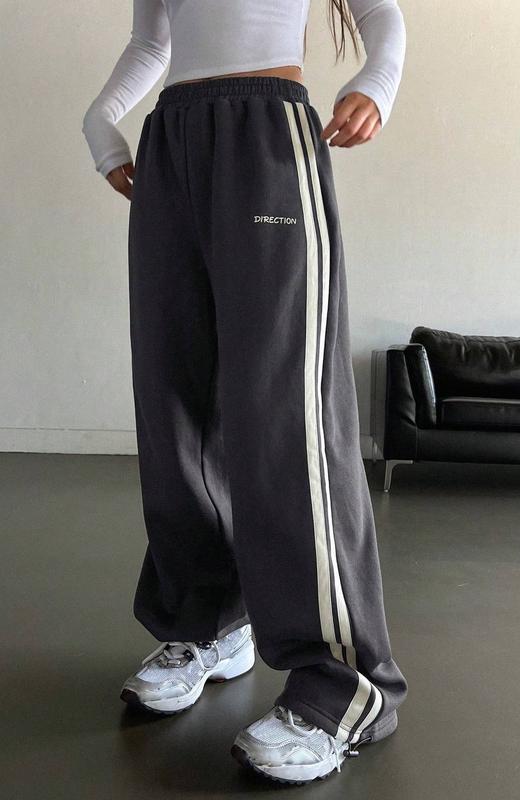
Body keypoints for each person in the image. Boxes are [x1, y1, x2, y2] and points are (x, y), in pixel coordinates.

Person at [82, 0, 408, 785]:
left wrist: (377, 82)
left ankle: (345, 685)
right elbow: (150, 42)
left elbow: (381, 13)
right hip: (170, 140)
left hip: (267, 130)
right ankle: (209, 621)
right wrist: (100, 120)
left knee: (284, 412)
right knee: (174, 400)